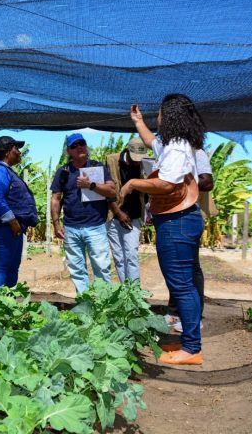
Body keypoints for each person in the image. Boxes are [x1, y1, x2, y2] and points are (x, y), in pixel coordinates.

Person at [121, 94, 205, 365]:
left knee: (181, 285)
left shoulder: (178, 147)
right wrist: (138, 121)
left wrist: (133, 183)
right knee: (184, 283)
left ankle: (192, 348)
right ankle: (189, 341)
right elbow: (152, 143)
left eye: (158, 113)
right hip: (178, 220)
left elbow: (167, 184)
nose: (156, 117)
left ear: (169, 116)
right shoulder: (173, 145)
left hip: (177, 222)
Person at [50, 133, 116, 293]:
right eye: (74, 145)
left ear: (86, 146)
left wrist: (91, 185)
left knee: (101, 268)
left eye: (82, 143)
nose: (79, 147)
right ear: (68, 151)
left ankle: (103, 304)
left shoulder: (97, 167)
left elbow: (111, 190)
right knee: (77, 269)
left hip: (96, 226)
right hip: (71, 228)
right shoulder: (63, 172)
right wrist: (56, 223)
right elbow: (55, 199)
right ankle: (85, 302)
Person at [162, 146, 216, 331]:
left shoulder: (196, 153)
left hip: (188, 215)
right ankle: (175, 312)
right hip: (172, 214)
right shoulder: (170, 153)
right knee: (175, 267)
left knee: (191, 267)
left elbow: (207, 182)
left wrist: (178, 181)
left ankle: (192, 316)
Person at [0, 136, 38, 288]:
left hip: (14, 228)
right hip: (6, 228)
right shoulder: (0, 171)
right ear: (8, 152)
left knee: (12, 267)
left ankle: (8, 303)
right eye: (16, 149)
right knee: (2, 267)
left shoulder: (6, 170)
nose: (19, 152)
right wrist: (12, 222)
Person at [106, 137, 148, 283]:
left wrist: (149, 212)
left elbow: (149, 191)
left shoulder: (146, 164)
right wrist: (118, 212)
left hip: (134, 216)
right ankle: (125, 292)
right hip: (113, 215)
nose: (138, 161)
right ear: (128, 151)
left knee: (131, 255)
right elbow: (106, 191)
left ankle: (134, 293)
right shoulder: (112, 161)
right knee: (118, 256)